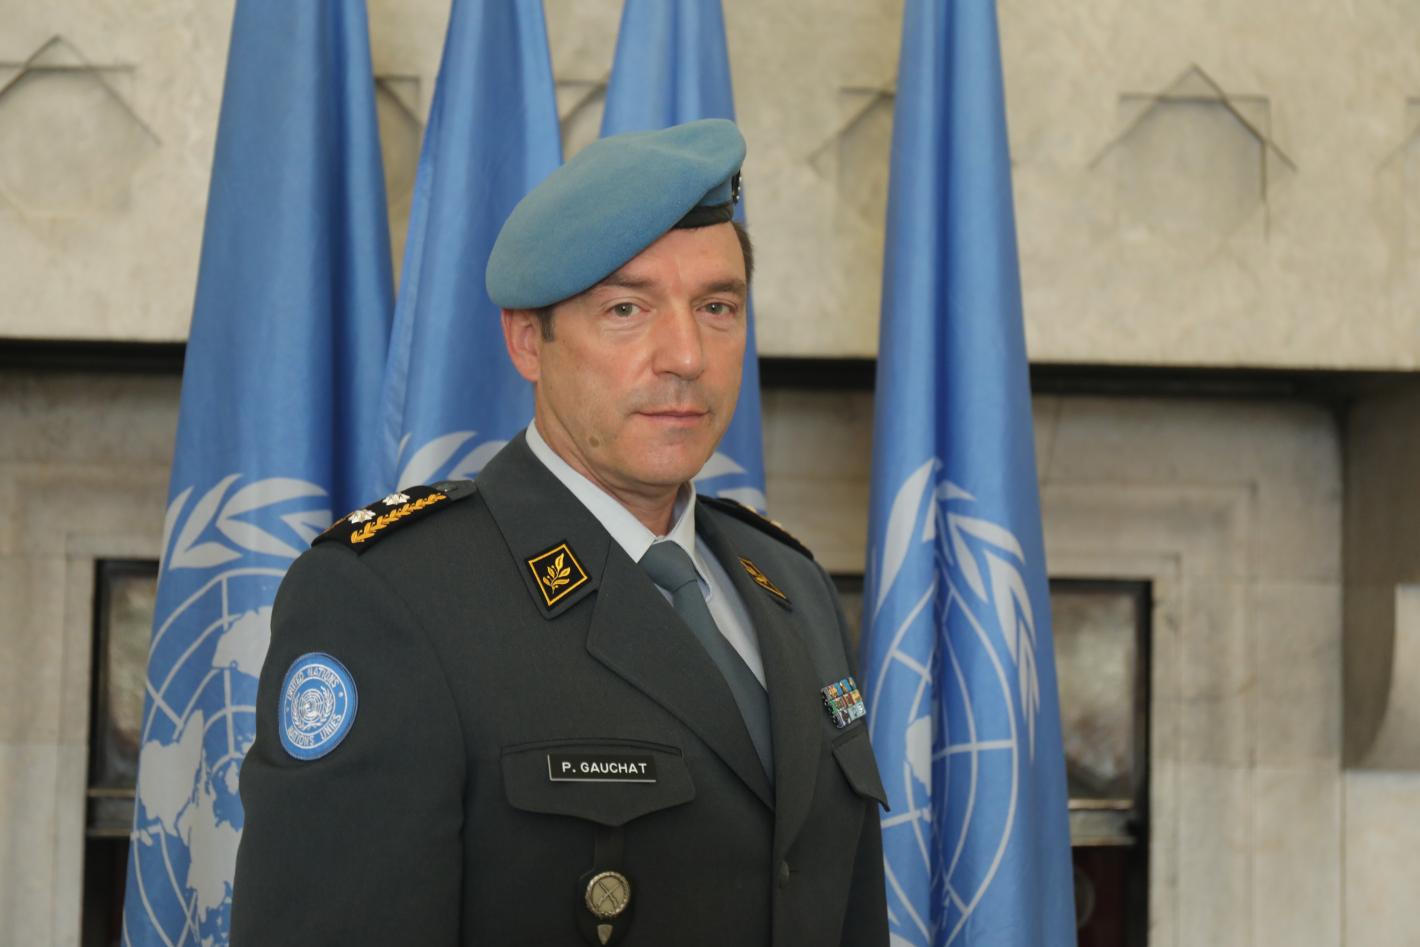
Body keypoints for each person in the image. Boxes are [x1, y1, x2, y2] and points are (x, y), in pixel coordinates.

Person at [231, 119, 888, 947]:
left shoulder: (790, 585)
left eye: (717, 307)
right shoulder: (393, 600)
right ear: (527, 341)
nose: (686, 355)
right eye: (627, 309)